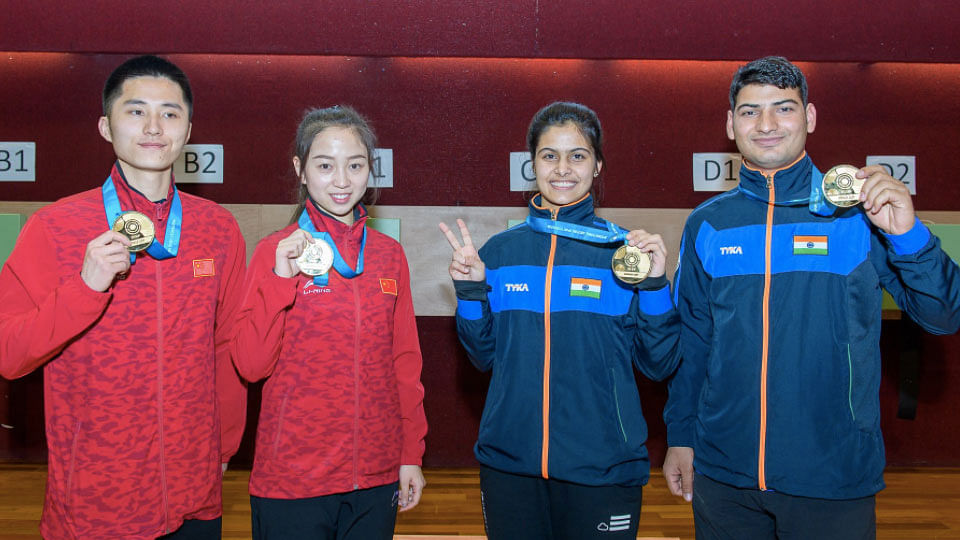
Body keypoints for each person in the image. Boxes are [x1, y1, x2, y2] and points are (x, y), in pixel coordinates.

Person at [662, 56, 960, 539]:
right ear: (730, 124)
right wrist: (681, 436)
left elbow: (944, 315)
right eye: (750, 111)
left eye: (784, 108)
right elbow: (695, 341)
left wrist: (909, 237)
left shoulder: (860, 212)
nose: (766, 125)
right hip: (724, 475)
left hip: (832, 474)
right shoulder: (709, 223)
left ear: (810, 117)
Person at [0, 55, 247, 539]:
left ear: (189, 129)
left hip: (193, 492)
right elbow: (10, 355)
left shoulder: (218, 228)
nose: (154, 126)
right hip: (95, 497)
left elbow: (226, 349)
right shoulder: (53, 228)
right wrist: (84, 288)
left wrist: (222, 450)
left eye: (170, 113)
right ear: (105, 126)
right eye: (136, 111)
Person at [440, 101, 681, 539]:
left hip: (603, 468)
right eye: (549, 155)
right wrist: (471, 290)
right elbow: (482, 356)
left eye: (578, 155)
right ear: (532, 164)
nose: (562, 169)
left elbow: (659, 363)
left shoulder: (625, 255)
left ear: (598, 165)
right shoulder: (498, 253)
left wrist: (656, 286)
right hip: (511, 467)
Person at [231, 105, 427, 540]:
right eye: (325, 165)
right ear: (301, 169)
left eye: (355, 165)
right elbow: (249, 364)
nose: (341, 181)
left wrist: (410, 453)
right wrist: (281, 281)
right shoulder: (274, 251)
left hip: (374, 479)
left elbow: (404, 363)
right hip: (293, 480)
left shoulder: (388, 256)